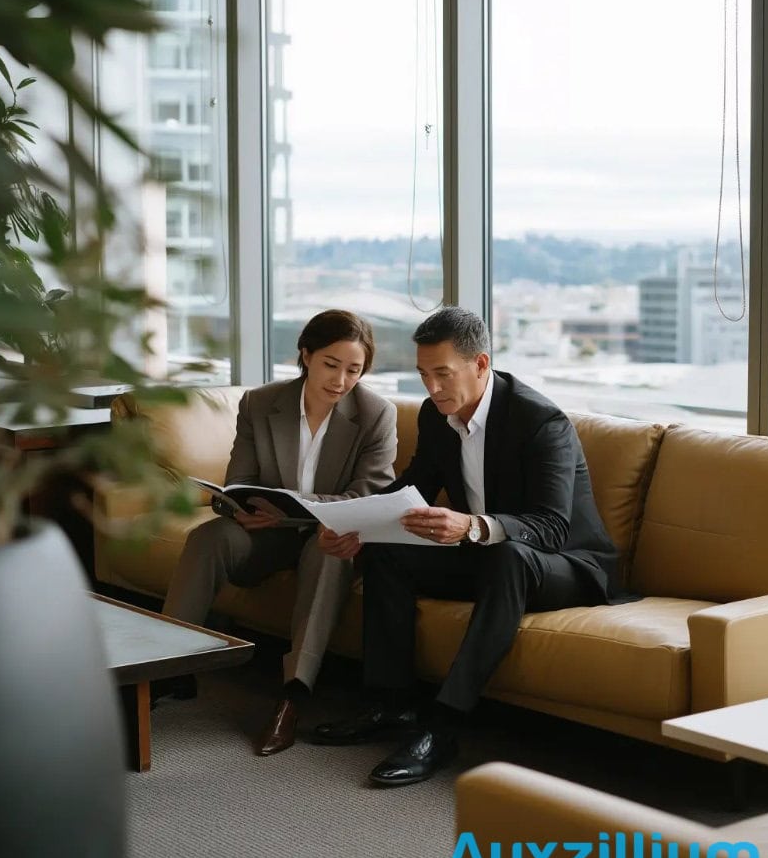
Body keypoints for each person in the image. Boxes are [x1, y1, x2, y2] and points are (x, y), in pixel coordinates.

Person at [314, 306, 623, 786]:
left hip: (567, 565)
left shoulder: (541, 422)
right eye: (423, 375)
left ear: (480, 365)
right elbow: (410, 489)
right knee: (387, 551)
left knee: (509, 555)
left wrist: (473, 526)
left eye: (443, 374)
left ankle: (443, 726)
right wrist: (357, 527)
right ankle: (390, 704)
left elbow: (552, 527)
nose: (432, 388)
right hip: (488, 557)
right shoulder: (438, 417)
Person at [161, 309, 397, 756]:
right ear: (305, 355)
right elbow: (238, 481)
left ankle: (293, 694)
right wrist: (239, 510)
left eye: (354, 369)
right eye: (331, 364)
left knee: (330, 552)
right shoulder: (260, 403)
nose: (341, 380)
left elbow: (367, 497)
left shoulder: (375, 414)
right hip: (266, 534)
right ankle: (169, 667)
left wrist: (296, 509)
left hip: (328, 535)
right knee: (207, 538)